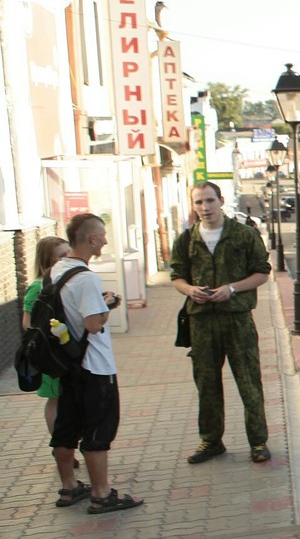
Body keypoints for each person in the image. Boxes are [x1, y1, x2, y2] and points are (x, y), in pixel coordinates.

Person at [169, 182, 273, 464]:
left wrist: (232, 288)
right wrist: (189, 290)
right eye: (199, 202)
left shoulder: (244, 235)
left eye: (210, 201)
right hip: (201, 321)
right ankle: (211, 440)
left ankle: (258, 441)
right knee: (206, 383)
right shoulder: (186, 240)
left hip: (237, 319)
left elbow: (262, 272)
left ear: (221, 201)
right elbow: (176, 276)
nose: (205, 207)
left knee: (248, 381)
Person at [49, 213, 142, 513]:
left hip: (69, 363)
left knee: (66, 427)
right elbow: (92, 324)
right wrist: (110, 305)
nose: (104, 239)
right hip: (94, 366)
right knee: (98, 429)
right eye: (102, 235)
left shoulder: (59, 269)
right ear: (91, 239)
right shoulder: (87, 277)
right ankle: (101, 494)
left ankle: (69, 487)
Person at [22, 237, 73, 463]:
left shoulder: (67, 281)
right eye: (61, 256)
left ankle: (66, 444)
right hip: (50, 354)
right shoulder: (38, 286)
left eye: (67, 254)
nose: (66, 259)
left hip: (67, 352)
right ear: (47, 261)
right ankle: (60, 447)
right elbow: (27, 322)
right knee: (55, 400)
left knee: (68, 400)